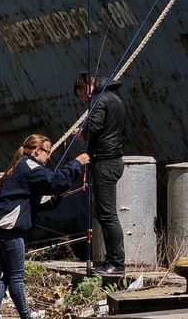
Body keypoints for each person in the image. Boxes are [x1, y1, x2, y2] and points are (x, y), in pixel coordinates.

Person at [0, 135, 88, 319]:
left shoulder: (20, 166)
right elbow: (56, 182)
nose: (49, 157)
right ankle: (26, 316)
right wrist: (76, 163)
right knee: (17, 277)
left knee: (4, 274)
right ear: (38, 150)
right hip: (9, 230)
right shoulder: (30, 166)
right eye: (48, 152)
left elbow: (30, 202)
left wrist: (56, 199)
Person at [75, 72, 126, 275]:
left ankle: (116, 262)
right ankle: (111, 260)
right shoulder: (115, 99)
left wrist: (80, 134)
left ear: (86, 86)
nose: (81, 99)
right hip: (113, 159)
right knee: (106, 214)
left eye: (80, 93)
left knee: (107, 215)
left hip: (105, 162)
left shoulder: (100, 99)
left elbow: (93, 128)